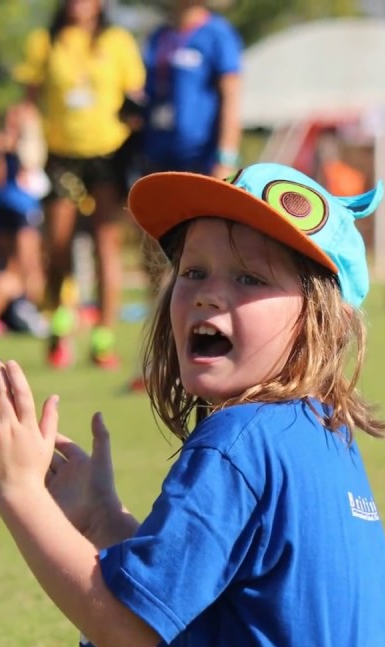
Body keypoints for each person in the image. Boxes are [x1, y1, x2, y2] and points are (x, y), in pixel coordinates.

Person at [0, 162, 385, 647]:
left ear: (320, 321)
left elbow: (124, 628)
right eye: (194, 271)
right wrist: (105, 519)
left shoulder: (238, 443)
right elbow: (198, 586)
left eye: (250, 278)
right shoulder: (322, 431)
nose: (208, 296)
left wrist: (18, 492)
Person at [12, 0, 146, 370]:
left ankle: (103, 338)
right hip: (61, 156)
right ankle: (59, 324)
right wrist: (21, 142)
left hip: (108, 153)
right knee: (58, 244)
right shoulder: (45, 41)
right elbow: (27, 102)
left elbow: (135, 98)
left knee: (106, 243)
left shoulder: (118, 41)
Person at [126, 0, 244, 393]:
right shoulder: (158, 37)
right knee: (155, 265)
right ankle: (161, 361)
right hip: (156, 164)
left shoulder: (218, 34)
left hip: (201, 166)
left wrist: (225, 158)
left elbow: (231, 96)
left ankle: (204, 358)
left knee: (197, 265)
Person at [0, 131, 51, 339]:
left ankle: (28, 309)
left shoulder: (25, 151)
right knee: (11, 269)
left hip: (21, 208)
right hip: (6, 209)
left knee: (29, 265)